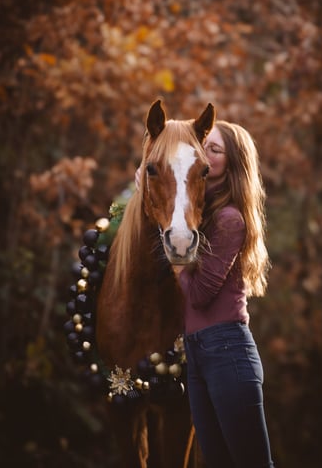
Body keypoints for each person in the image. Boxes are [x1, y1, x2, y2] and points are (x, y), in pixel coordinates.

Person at [136, 120, 274, 467]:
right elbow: (174, 192)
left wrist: (176, 259)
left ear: (233, 163)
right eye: (204, 147)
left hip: (227, 351)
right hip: (198, 354)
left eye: (214, 150)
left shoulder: (229, 220)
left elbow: (198, 296)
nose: (205, 154)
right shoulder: (202, 211)